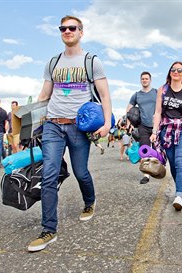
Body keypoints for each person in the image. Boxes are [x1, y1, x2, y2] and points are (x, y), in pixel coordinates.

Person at [29, 15, 112, 252]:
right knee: (49, 175)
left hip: (78, 126)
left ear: (81, 32)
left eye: (72, 28)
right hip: (53, 124)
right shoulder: (53, 62)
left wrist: (106, 124)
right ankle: (48, 230)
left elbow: (104, 95)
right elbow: (44, 95)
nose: (67, 31)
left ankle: (89, 202)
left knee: (81, 172)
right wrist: (31, 124)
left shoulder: (91, 61)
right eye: (63, 28)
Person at [150, 61, 182, 211]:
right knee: (172, 163)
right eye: (173, 69)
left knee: (180, 161)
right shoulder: (163, 90)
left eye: (180, 70)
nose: (176, 72)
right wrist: (154, 132)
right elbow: (158, 112)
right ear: (170, 72)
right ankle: (181, 186)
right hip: (166, 130)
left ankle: (179, 195)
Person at [126, 71, 158, 184]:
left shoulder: (156, 92)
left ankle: (157, 168)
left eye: (146, 78)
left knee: (156, 149)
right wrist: (129, 123)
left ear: (150, 80)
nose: (144, 80)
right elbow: (128, 109)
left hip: (156, 126)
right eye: (143, 79)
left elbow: (162, 107)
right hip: (143, 125)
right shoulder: (136, 95)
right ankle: (146, 174)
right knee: (145, 149)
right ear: (141, 80)